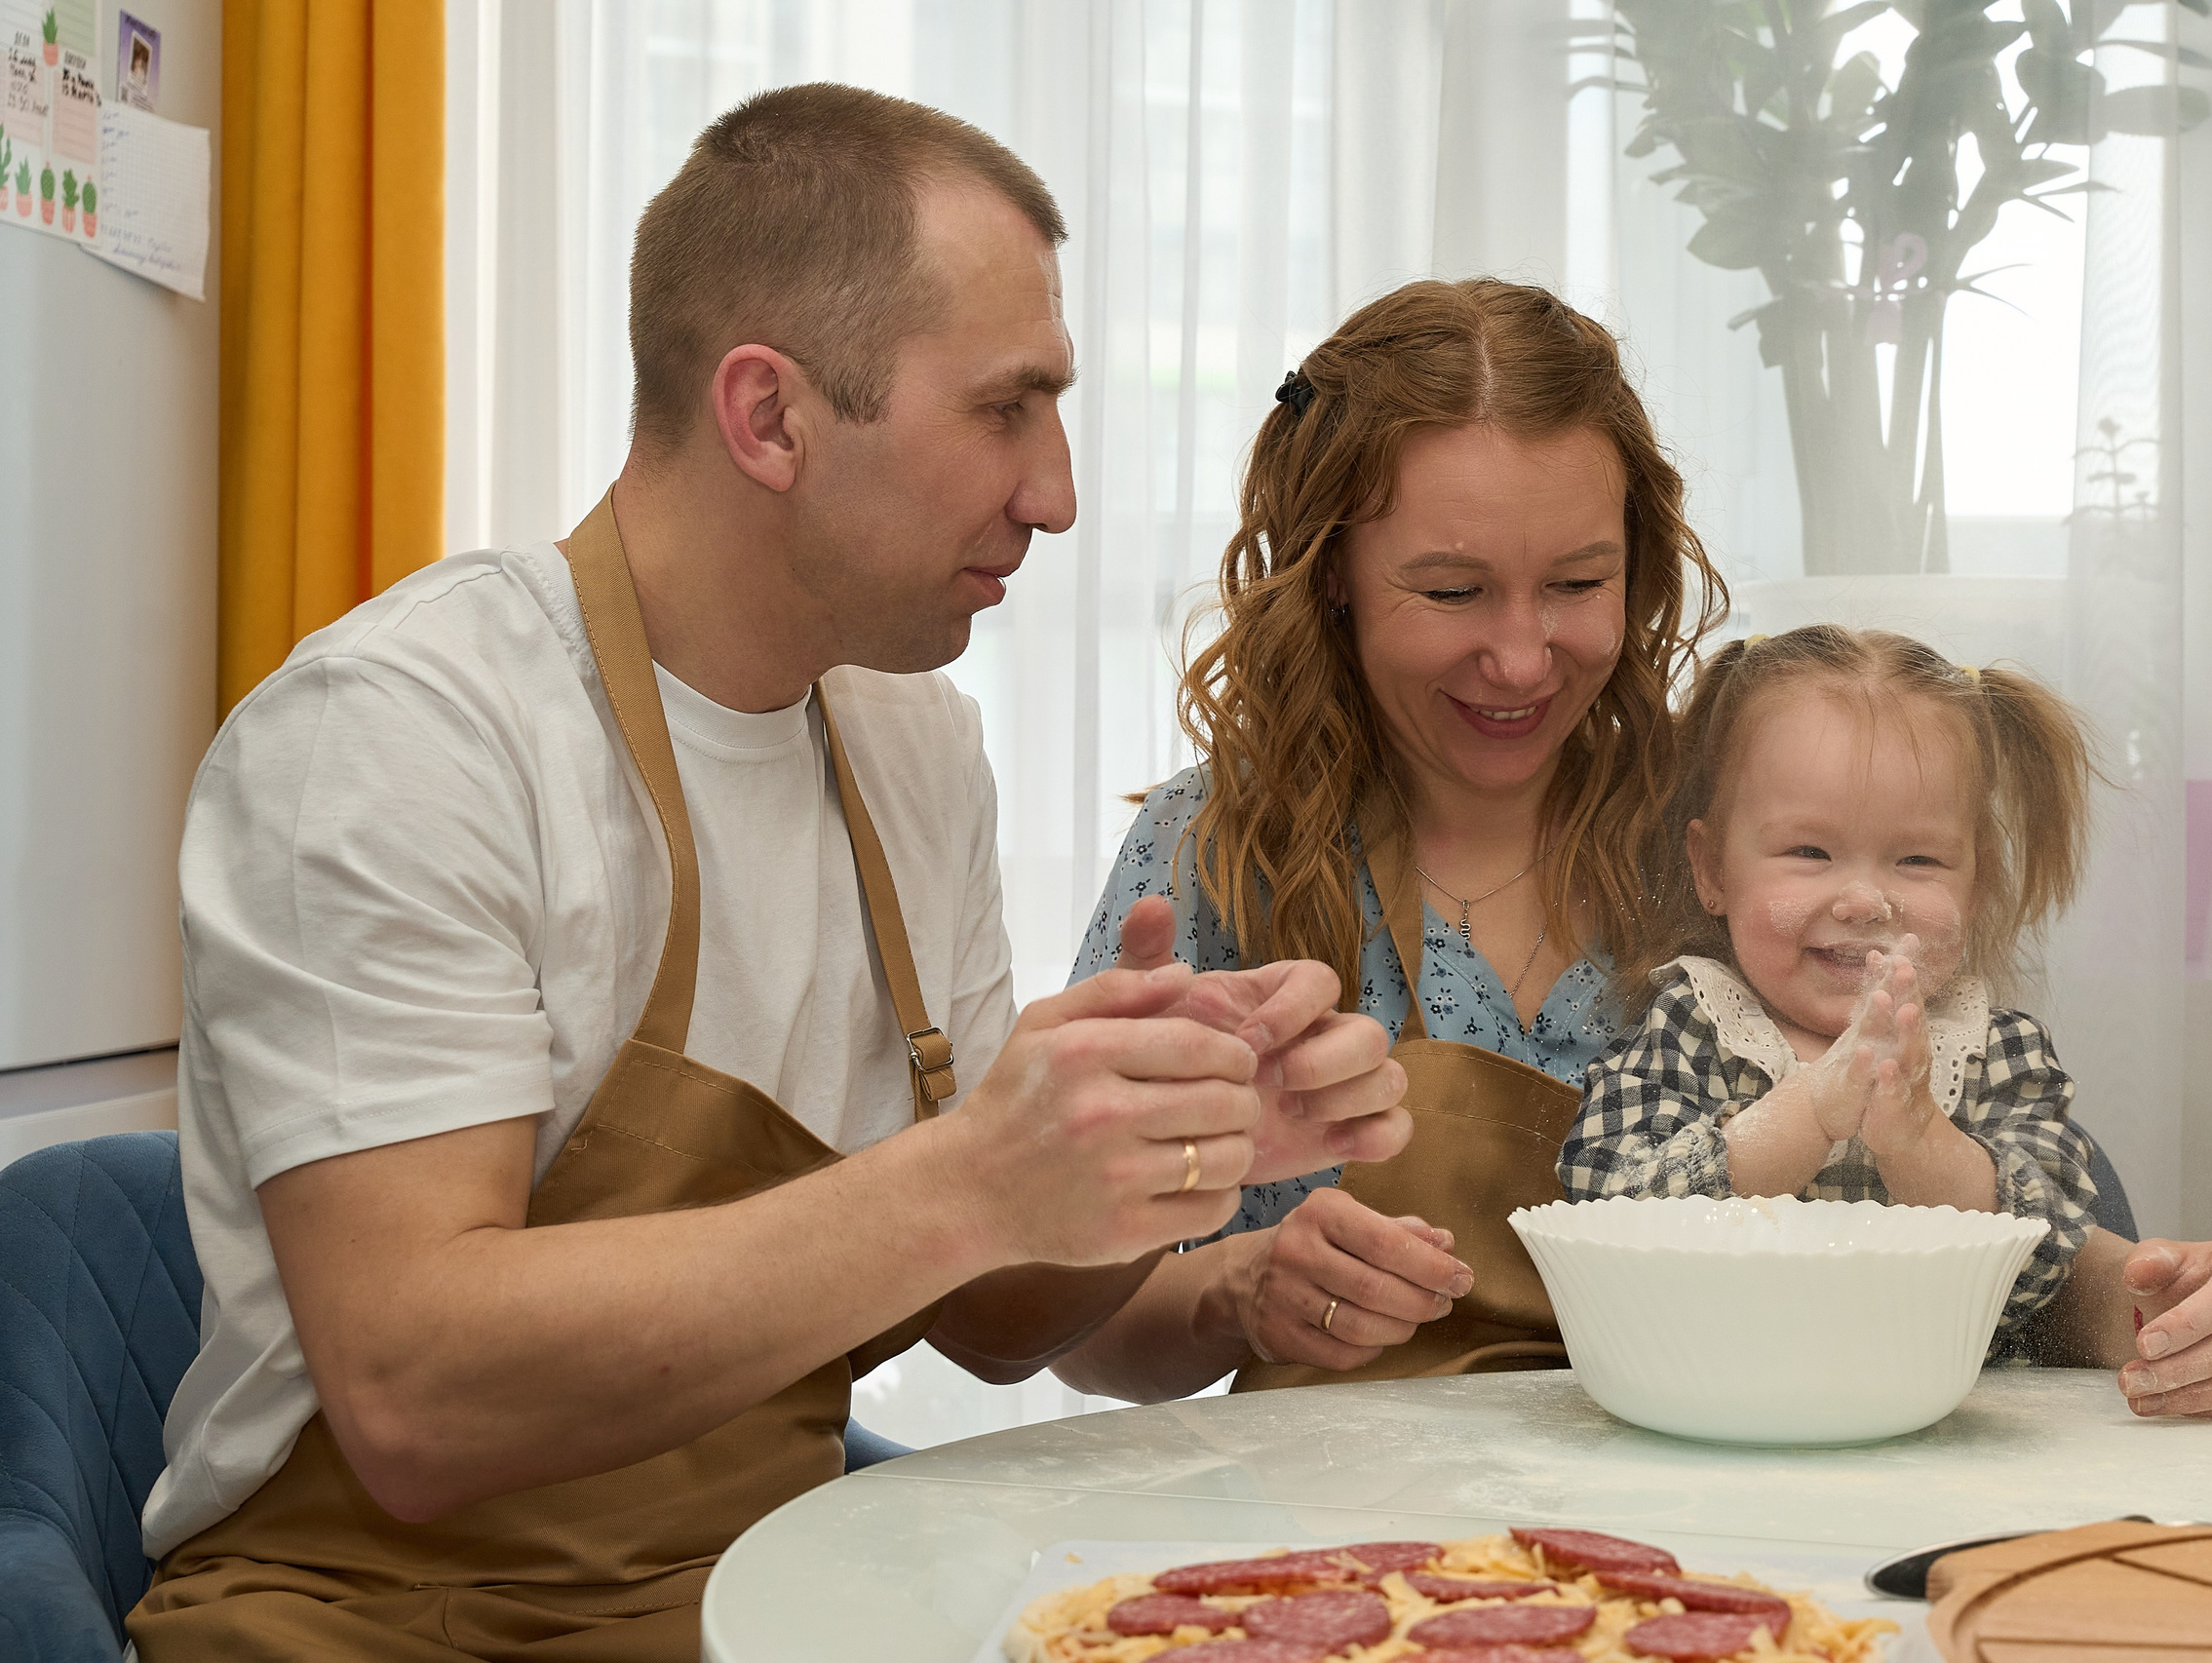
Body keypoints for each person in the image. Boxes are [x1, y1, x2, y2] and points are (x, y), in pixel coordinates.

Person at [127, 85, 1406, 1661]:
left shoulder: (913, 743)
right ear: (771, 416)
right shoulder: (405, 737)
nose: (1057, 491)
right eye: (1006, 408)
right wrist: (972, 1175)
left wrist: (1171, 1149)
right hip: (374, 1624)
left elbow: (995, 1324)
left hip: (767, 1600)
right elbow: (414, 1394)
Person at [1052, 277, 2212, 1419]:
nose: (1525, 655)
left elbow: (2000, 1235)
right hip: (1349, 1541)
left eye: (1578, 582)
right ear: (1330, 575)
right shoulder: (1219, 850)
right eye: (1451, 591)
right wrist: (1238, 1286)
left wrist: (2180, 1302)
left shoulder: (1756, 827)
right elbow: (1081, 1328)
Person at [1560, 626, 2104, 1355]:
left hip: (1931, 1429)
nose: (1863, 901)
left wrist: (1917, 1136)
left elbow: (2040, 1267)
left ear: (1977, 889)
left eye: (1918, 859)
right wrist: (1810, 1109)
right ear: (1711, 868)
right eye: (1809, 852)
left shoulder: (1998, 1054)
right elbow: (1609, 1225)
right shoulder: (1691, 1026)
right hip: (1713, 1412)